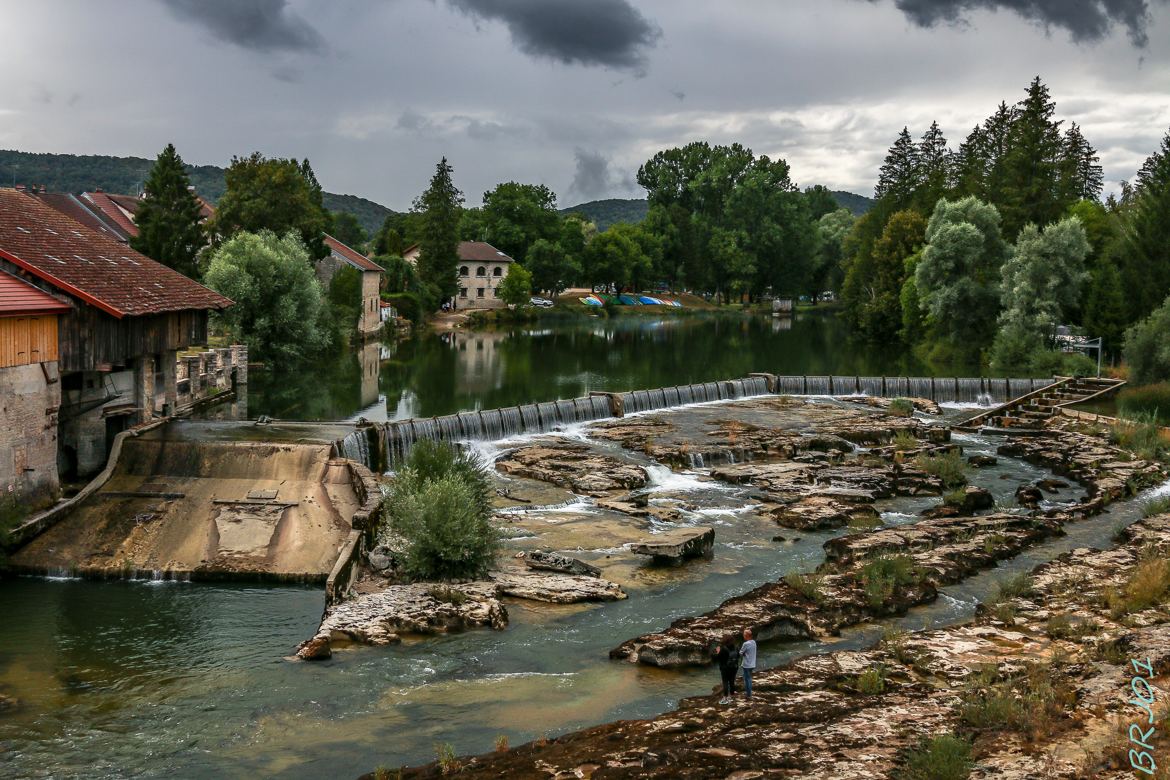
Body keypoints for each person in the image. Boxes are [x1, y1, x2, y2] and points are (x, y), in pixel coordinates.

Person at [712, 634, 739, 704]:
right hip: (734, 667)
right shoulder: (736, 647)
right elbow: (738, 656)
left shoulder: (723, 649)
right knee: (732, 681)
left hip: (725, 668)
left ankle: (725, 698)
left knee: (725, 682)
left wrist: (717, 652)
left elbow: (717, 658)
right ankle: (731, 697)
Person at [740, 628, 757, 701]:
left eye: (744, 634)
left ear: (747, 636)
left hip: (746, 664)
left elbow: (740, 653)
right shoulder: (754, 642)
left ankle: (748, 694)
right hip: (752, 664)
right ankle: (748, 693)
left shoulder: (746, 644)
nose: (743, 635)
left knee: (747, 679)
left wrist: (743, 653)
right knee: (749, 678)